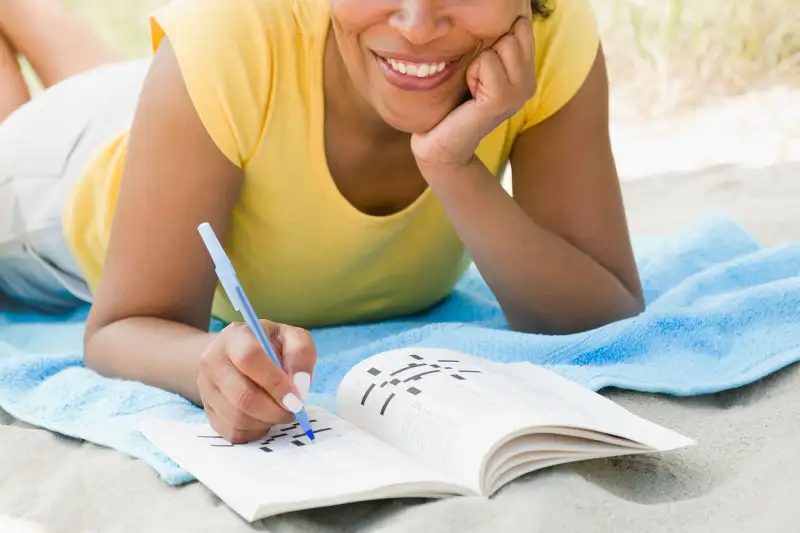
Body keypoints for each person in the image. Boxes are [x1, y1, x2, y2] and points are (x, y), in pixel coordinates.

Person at [0, 0, 644, 443]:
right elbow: (119, 328)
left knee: (130, 81)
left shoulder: (544, 33)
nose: (418, 24)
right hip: (60, 176)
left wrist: (451, 165)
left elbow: (602, 309)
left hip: (193, 103)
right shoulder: (231, 31)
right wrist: (206, 362)